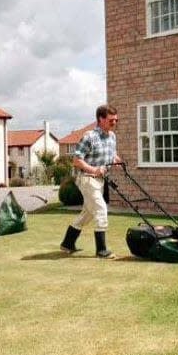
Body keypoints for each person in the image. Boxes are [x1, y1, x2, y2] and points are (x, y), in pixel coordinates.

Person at [60, 105, 122, 258]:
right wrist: (94, 170)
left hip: (100, 180)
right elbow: (76, 160)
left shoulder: (112, 136)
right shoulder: (89, 136)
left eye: (116, 120)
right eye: (111, 120)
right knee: (101, 209)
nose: (114, 123)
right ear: (101, 119)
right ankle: (101, 250)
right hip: (87, 179)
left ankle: (67, 243)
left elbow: (111, 155)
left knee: (87, 214)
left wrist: (116, 160)